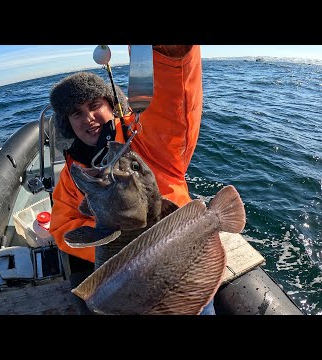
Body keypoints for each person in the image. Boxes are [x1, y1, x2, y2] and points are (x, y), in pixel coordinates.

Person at [48, 45, 213, 314]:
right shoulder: (72, 175)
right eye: (77, 113)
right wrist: (122, 251)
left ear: (112, 106)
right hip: (122, 277)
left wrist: (169, 55)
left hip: (182, 260)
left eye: (94, 105)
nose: (88, 118)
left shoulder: (146, 137)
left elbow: (173, 105)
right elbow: (63, 227)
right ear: (67, 123)